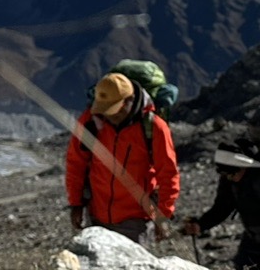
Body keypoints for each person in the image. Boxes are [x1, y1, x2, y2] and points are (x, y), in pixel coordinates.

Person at [66, 72, 179, 243]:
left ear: (129, 101)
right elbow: (76, 163)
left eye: (114, 111)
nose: (109, 116)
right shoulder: (91, 121)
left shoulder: (154, 127)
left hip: (136, 220)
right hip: (96, 214)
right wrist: (76, 204)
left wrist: (162, 216)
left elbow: (168, 174)